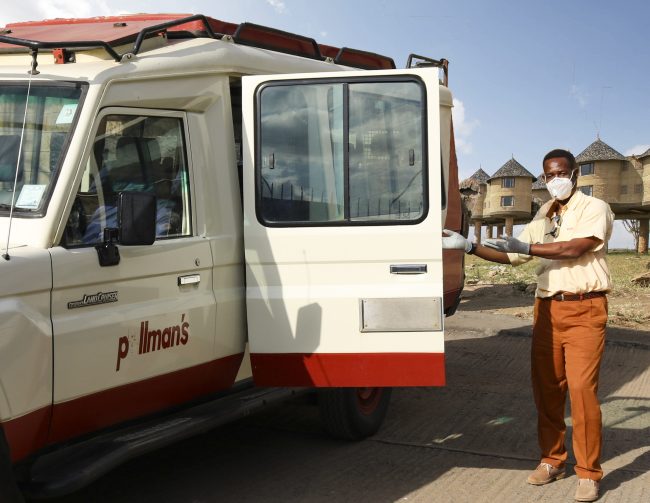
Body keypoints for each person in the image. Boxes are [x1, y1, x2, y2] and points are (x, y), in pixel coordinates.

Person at [443, 149, 613, 502]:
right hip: (547, 309)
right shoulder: (544, 214)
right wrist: (470, 246)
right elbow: (512, 255)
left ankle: (588, 473)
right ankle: (552, 460)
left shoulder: (594, 208)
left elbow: (575, 248)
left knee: (582, 391)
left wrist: (529, 248)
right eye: (549, 175)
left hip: (585, 308)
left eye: (561, 173)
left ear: (575, 174)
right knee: (547, 389)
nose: (556, 180)